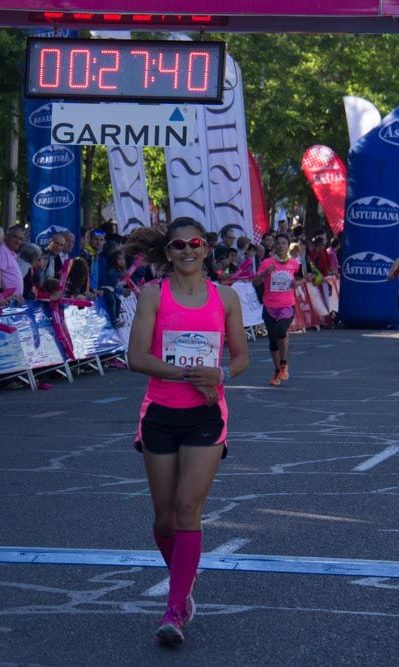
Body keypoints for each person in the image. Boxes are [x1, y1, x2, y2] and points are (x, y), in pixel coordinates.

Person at [124, 217, 249, 646]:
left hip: (206, 417)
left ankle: (175, 609)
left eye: (195, 243)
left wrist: (220, 377)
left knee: (186, 510)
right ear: (169, 252)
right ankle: (183, 581)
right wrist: (186, 372)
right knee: (163, 519)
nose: (187, 252)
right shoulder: (152, 295)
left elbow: (240, 359)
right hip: (159, 411)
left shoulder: (226, 297)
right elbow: (136, 358)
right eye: (178, 246)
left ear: (206, 249)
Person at [253, 232, 304, 384]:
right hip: (269, 306)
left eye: (284, 243)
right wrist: (265, 275)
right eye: (279, 243)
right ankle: (276, 371)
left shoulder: (295, 264)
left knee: (281, 330)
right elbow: (255, 283)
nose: (281, 246)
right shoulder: (267, 263)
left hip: (286, 305)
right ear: (274, 246)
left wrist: (297, 283)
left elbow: (301, 278)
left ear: (288, 246)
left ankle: (283, 363)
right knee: (272, 341)